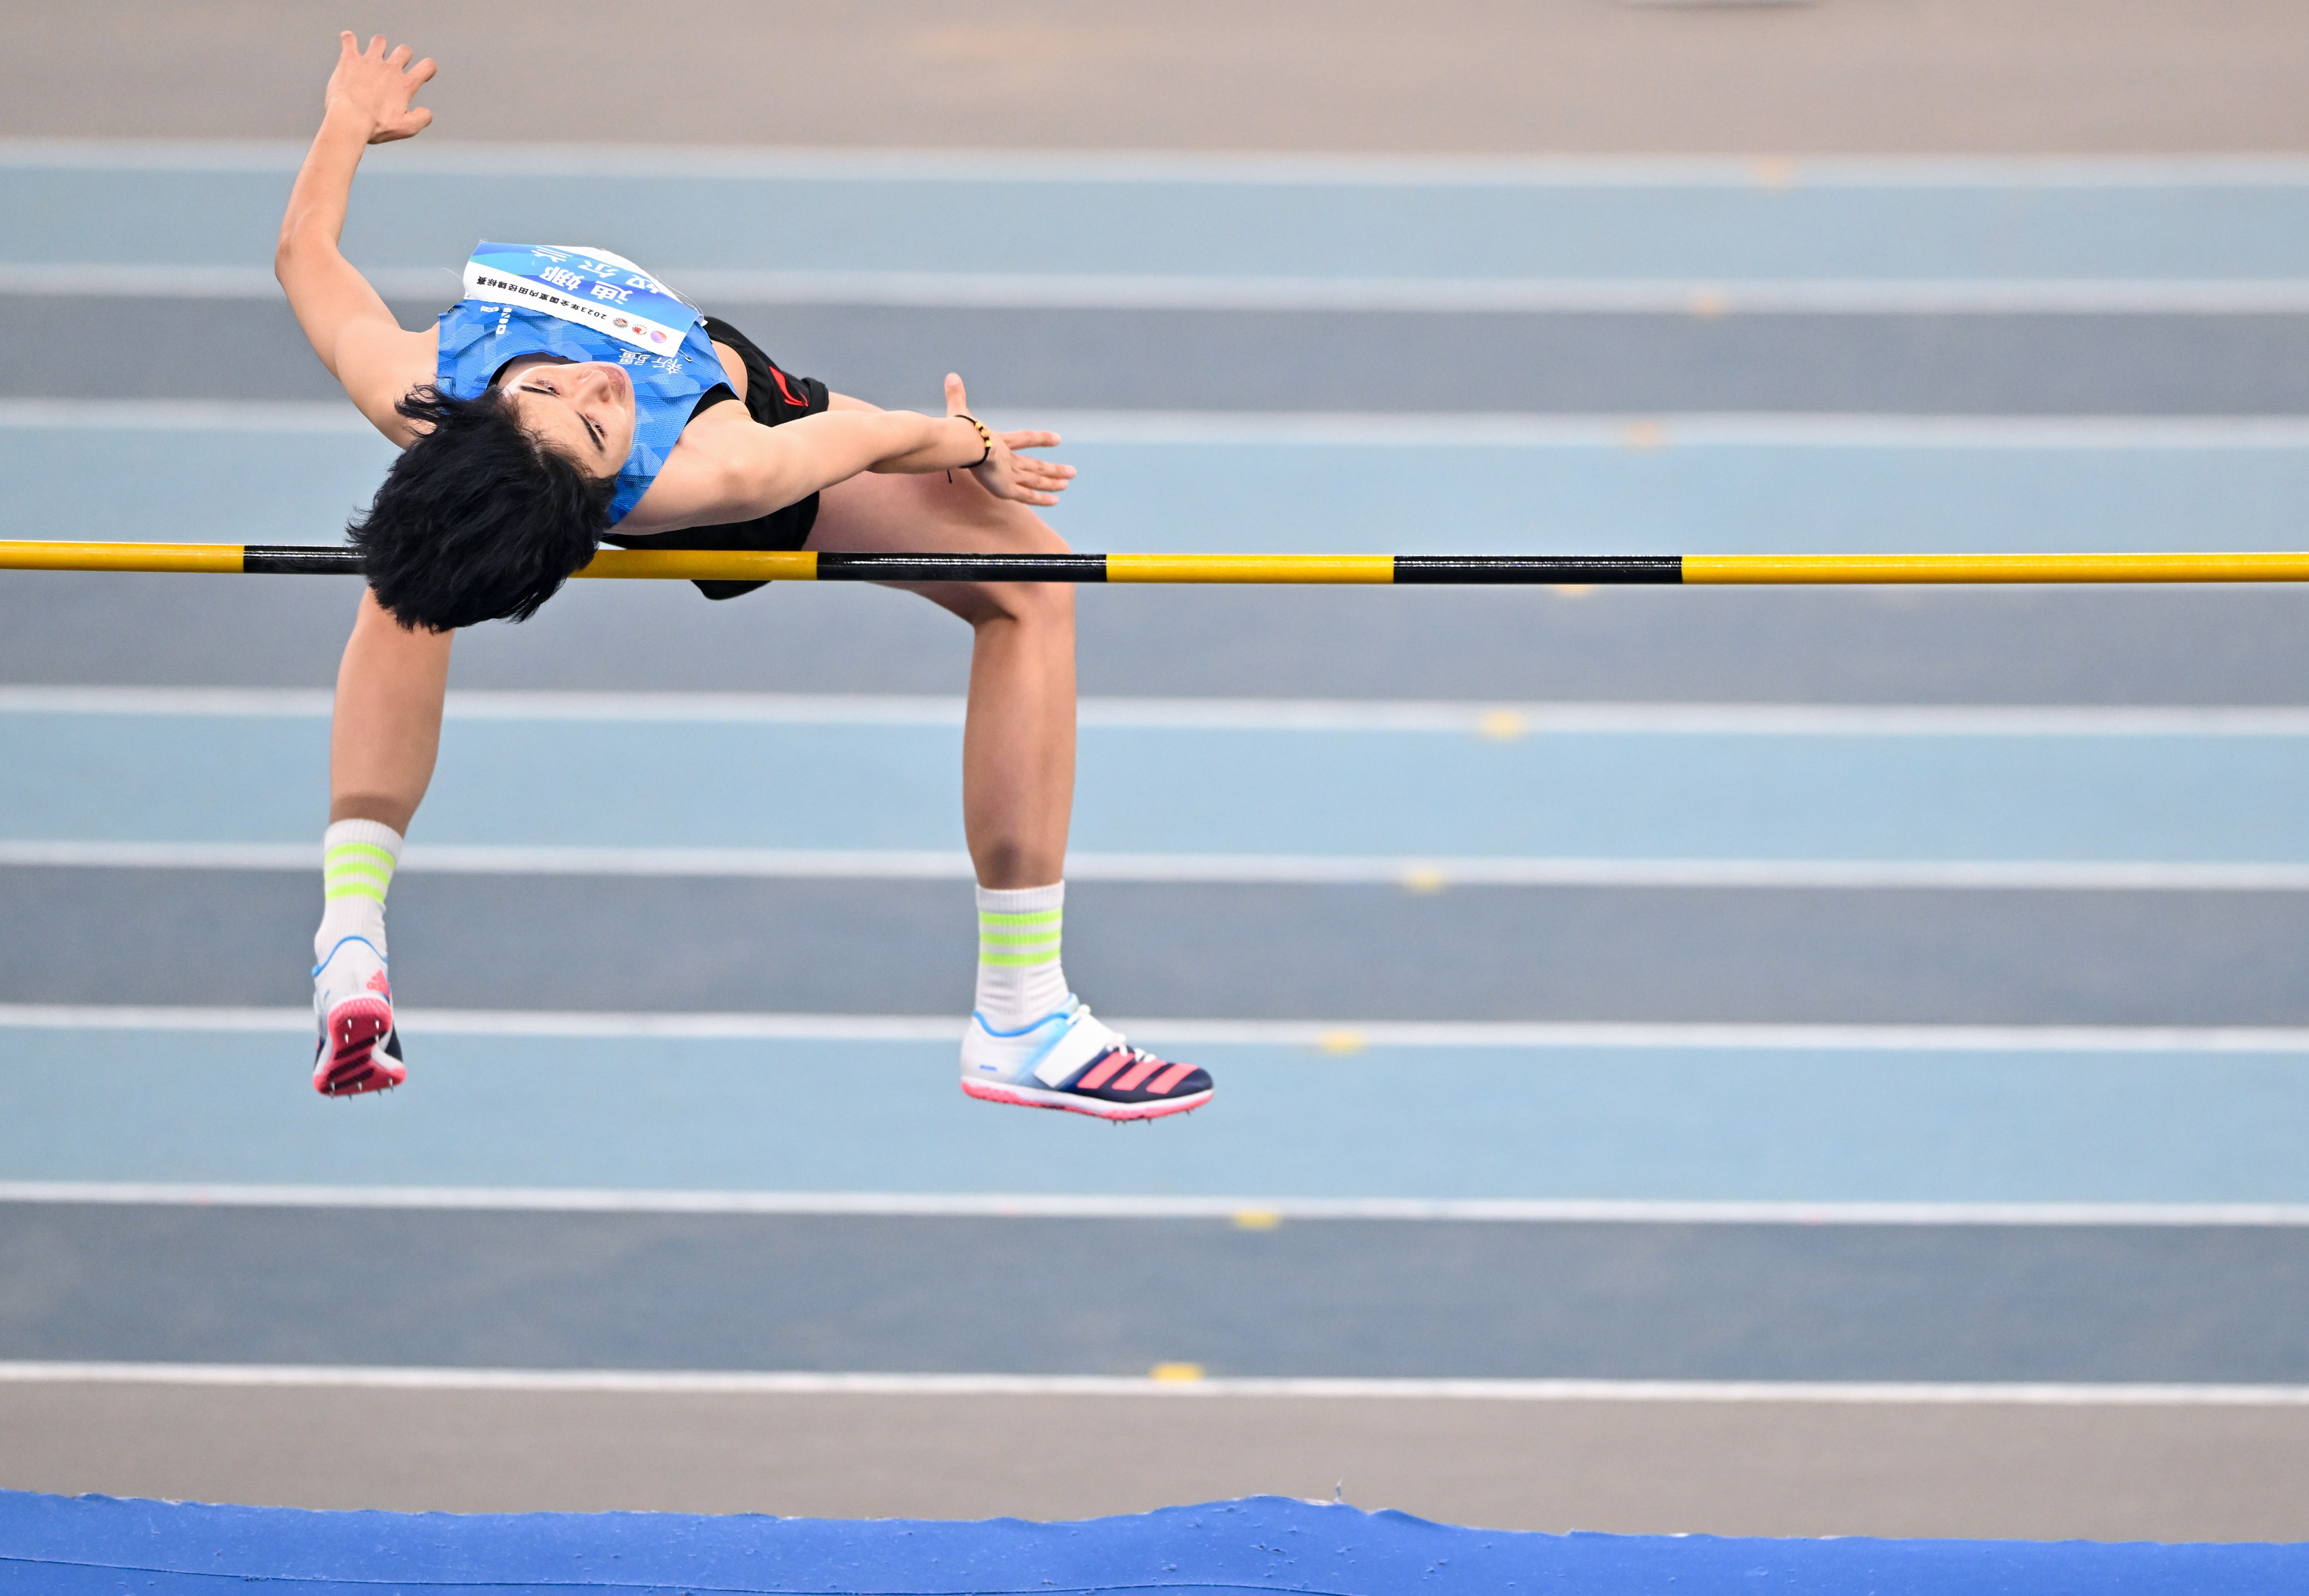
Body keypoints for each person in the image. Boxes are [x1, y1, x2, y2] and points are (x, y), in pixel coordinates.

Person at [283, 34, 1211, 1121]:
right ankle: (1022, 1015)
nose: (597, 386)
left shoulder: (413, 390)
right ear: (609, 484)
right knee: (1027, 579)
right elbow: (862, 434)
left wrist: (347, 122)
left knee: (421, 558)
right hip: (762, 425)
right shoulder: (715, 460)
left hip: (543, 450)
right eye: (599, 426)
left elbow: (307, 256)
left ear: (485, 405)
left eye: (563, 397)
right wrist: (968, 444)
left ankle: (348, 943)